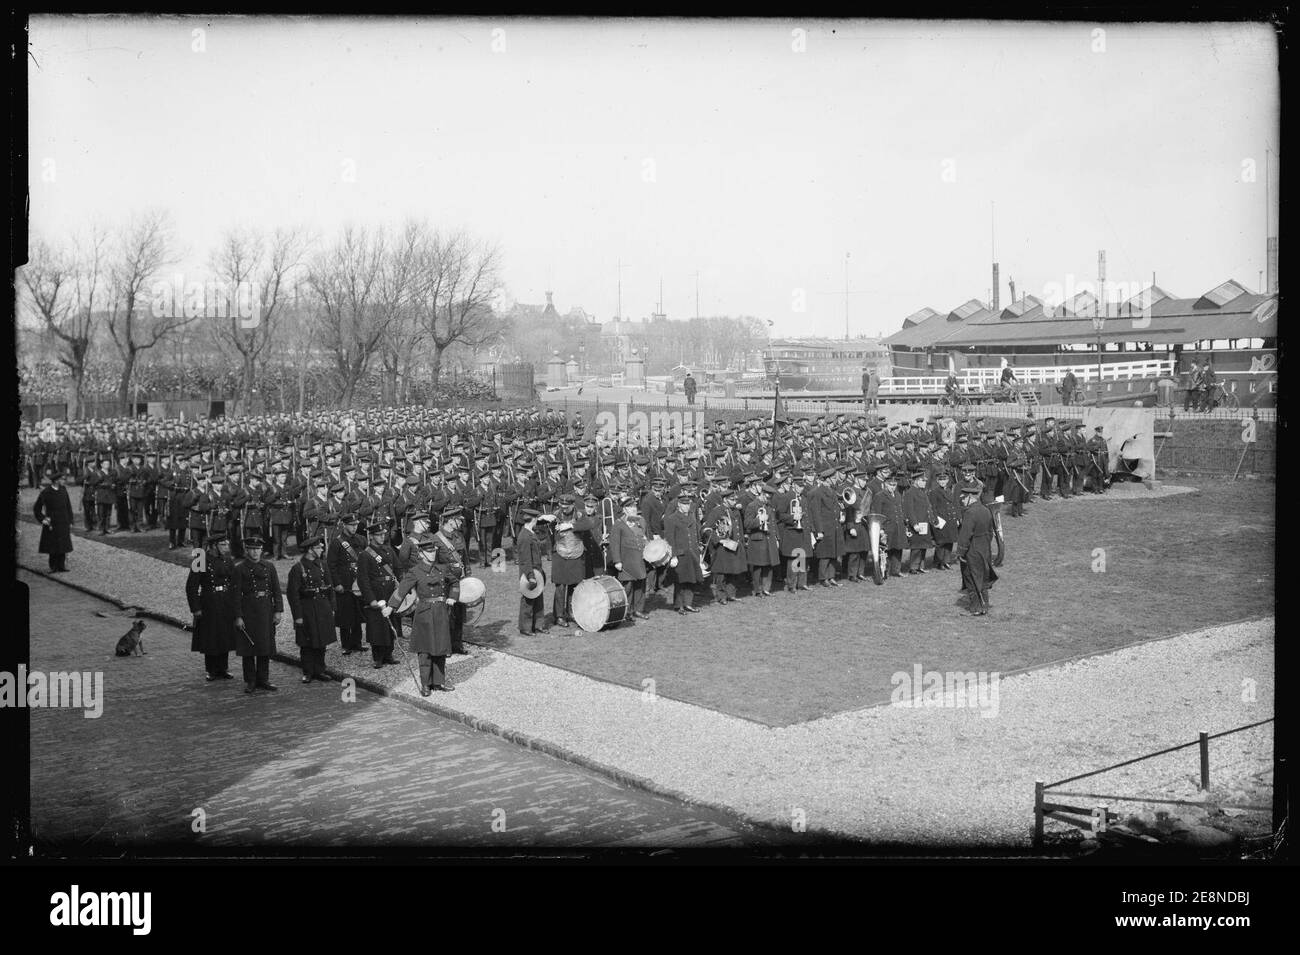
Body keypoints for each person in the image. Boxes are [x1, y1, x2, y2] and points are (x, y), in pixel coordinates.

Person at [383, 535, 457, 696]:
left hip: (441, 613)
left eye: (434, 551)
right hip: (424, 614)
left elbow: (455, 582)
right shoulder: (415, 572)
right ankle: (425, 684)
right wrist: (390, 607)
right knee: (425, 651)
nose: (432, 554)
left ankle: (439, 682)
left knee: (441, 648)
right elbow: (401, 590)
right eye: (429, 552)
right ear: (422, 554)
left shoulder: (443, 568)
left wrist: (453, 597)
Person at [185, 532, 239, 683]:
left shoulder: (227, 560)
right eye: (223, 545)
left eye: (227, 544)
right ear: (214, 546)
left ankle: (223, 668)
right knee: (211, 636)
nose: (226, 547)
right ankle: (211, 669)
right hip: (209, 601)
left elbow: (234, 582)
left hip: (225, 601)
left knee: (225, 634)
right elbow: (191, 586)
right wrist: (195, 608)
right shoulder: (201, 560)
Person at [234, 535, 283, 693]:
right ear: (246, 550)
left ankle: (263, 678)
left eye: (258, 549)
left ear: (262, 550)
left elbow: (276, 590)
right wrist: (238, 616)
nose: (255, 553)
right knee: (248, 648)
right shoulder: (240, 568)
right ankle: (250, 680)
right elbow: (235, 595)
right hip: (248, 610)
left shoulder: (269, 567)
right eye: (252, 549)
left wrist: (278, 611)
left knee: (264, 646)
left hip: (265, 610)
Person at [287, 534, 336, 684]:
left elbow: (330, 587)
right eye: (318, 547)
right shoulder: (297, 568)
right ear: (310, 550)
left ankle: (320, 669)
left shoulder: (322, 565)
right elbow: (293, 595)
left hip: (322, 607)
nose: (321, 549)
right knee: (307, 642)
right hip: (307, 608)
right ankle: (308, 671)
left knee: (321, 640)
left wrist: (332, 607)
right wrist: (298, 616)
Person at [357, 521, 401, 669]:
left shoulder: (389, 550)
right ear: (371, 536)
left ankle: (389, 653)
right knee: (377, 626)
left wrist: (400, 589)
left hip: (390, 591)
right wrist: (370, 599)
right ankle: (378, 657)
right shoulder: (365, 554)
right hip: (376, 593)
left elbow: (398, 569)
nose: (382, 537)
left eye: (384, 534)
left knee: (390, 623)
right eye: (379, 535)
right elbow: (363, 579)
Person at [955, 481, 997, 615]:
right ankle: (985, 606)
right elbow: (991, 532)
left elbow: (965, 535)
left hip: (972, 551)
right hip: (985, 549)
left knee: (971, 579)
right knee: (983, 578)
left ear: (969, 498)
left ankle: (975, 608)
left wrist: (960, 552)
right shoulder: (986, 510)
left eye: (964, 498)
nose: (963, 502)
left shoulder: (970, 513)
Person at [327, 513, 365, 655]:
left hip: (358, 582)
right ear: (344, 525)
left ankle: (357, 642)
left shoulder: (361, 540)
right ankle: (346, 644)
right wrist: (336, 583)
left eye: (356, 525)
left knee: (357, 612)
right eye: (352, 525)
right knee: (345, 614)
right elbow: (331, 565)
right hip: (344, 582)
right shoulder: (337, 542)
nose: (354, 528)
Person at [663, 486, 703, 613]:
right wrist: (673, 556)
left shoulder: (691, 517)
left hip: (692, 553)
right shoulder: (672, 519)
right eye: (684, 504)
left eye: (689, 504)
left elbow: (695, 535)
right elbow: (670, 539)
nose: (687, 506)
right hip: (680, 554)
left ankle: (688, 603)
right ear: (679, 505)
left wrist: (698, 549)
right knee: (680, 581)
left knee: (691, 579)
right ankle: (678, 605)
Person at [611, 495, 650, 620]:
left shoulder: (641, 521)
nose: (633, 509)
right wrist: (617, 560)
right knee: (627, 587)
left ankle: (638, 610)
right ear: (624, 509)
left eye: (634, 506)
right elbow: (615, 543)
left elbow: (646, 537)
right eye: (629, 507)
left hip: (640, 558)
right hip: (626, 560)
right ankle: (627, 612)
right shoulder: (619, 524)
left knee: (640, 585)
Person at [515, 508, 549, 635]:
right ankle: (525, 628)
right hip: (530, 572)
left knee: (538, 598)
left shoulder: (529, 532)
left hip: (537, 571)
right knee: (528, 600)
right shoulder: (524, 536)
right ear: (534, 520)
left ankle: (538, 625)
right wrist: (530, 576)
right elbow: (525, 560)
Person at [34, 470, 74, 572]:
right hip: (52, 522)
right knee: (53, 545)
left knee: (63, 545)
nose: (64, 481)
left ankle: (61, 566)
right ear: (56, 481)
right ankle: (53, 567)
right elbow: (37, 508)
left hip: (63, 521)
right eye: (62, 479)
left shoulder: (63, 490)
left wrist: (70, 520)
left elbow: (68, 506)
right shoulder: (46, 492)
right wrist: (43, 519)